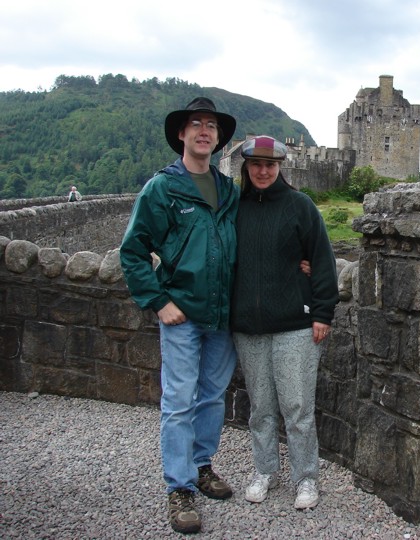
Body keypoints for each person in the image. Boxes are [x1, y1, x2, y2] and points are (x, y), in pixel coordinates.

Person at [119, 97, 239, 534]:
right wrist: (158, 300)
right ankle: (179, 488)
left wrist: (302, 261)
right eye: (196, 125)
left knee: (211, 396)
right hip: (182, 314)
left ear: (219, 138)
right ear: (182, 135)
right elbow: (132, 252)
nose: (204, 131)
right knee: (178, 400)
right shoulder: (162, 189)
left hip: (222, 316)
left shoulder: (228, 191)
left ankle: (202, 465)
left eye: (211, 126)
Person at [230, 135, 339, 510]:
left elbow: (321, 259)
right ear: (246, 167)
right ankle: (265, 471)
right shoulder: (234, 209)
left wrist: (323, 312)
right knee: (260, 408)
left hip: (295, 324)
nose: (263, 171)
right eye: (256, 165)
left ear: (280, 167)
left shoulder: (300, 207)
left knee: (297, 408)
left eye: (270, 165)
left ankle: (306, 478)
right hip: (249, 326)